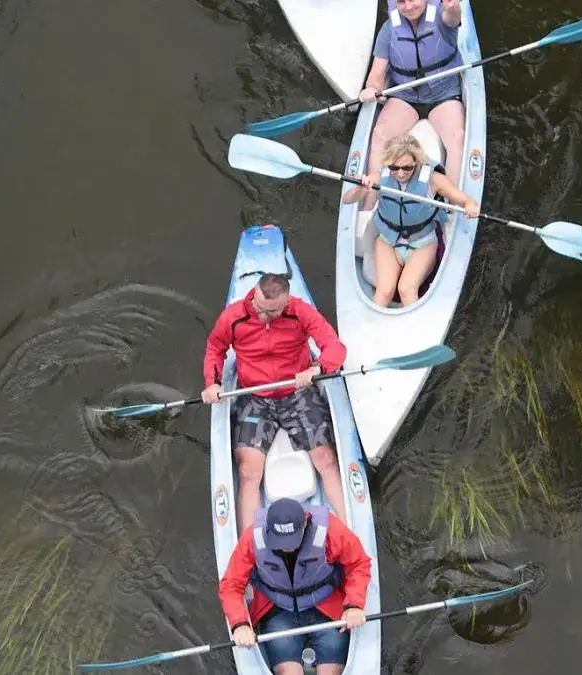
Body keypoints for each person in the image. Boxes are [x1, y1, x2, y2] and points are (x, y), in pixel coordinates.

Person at [202, 273, 348, 531]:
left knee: (326, 459)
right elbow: (215, 349)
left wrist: (317, 368)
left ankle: (349, 531)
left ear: (285, 303)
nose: (261, 315)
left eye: (270, 312)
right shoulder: (234, 317)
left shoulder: (301, 312)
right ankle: (247, 544)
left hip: (297, 391)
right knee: (248, 471)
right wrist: (212, 383)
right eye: (257, 306)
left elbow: (335, 348)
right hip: (255, 395)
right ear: (254, 294)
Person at [219, 498, 372, 674]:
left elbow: (358, 564)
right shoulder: (252, 539)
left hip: (327, 607)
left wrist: (354, 605)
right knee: (288, 671)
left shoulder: (331, 531)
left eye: (291, 540)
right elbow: (231, 584)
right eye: (280, 541)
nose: (286, 548)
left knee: (330, 671)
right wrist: (240, 624)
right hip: (278, 612)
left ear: (305, 522)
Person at [343, 133, 479, 306]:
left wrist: (471, 206)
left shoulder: (433, 179)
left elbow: (466, 200)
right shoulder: (380, 177)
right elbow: (347, 199)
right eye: (394, 168)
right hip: (387, 240)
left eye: (407, 168)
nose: (400, 174)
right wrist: (360, 189)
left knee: (406, 289)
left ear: (416, 162)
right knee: (384, 291)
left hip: (422, 243)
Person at [359, 0, 466, 185]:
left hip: (443, 94)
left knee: (457, 137)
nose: (408, 7)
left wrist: (453, 7)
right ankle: (371, 195)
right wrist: (371, 88)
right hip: (405, 97)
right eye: (401, 2)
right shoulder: (388, 30)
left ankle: (454, 198)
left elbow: (452, 19)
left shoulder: (442, 15)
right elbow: (376, 74)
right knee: (379, 134)